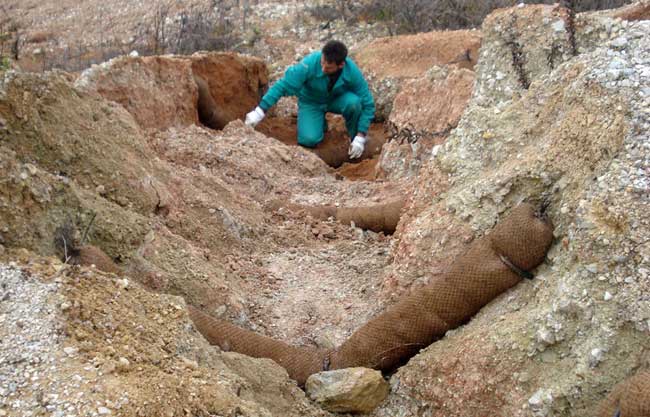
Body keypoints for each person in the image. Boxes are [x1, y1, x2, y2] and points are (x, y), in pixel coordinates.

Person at [245, 40, 375, 159]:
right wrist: (260, 111)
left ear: (341, 65)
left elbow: (368, 103)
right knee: (308, 140)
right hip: (311, 102)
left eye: (328, 68)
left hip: (337, 99)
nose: (323, 69)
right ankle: (319, 125)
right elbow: (283, 85)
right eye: (322, 63)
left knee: (354, 103)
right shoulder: (309, 63)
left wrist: (361, 135)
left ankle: (354, 141)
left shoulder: (351, 71)